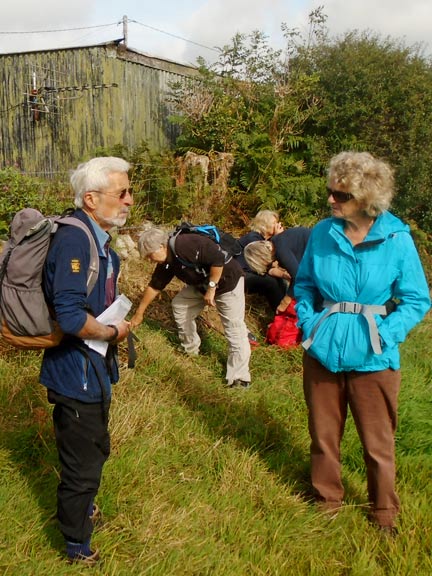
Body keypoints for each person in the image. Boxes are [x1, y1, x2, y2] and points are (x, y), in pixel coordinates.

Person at [294, 151, 430, 535]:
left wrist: (385, 334)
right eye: (330, 192)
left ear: (367, 197)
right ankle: (326, 502)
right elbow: (304, 285)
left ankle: (384, 512)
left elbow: (417, 298)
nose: (330, 201)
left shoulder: (397, 239)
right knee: (322, 436)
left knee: (378, 442)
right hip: (323, 350)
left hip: (374, 357)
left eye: (340, 195)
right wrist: (310, 324)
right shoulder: (322, 232)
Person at [40, 156, 133, 564]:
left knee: (94, 450)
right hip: (74, 373)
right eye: (122, 193)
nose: (130, 200)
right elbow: (72, 316)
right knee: (82, 464)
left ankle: (83, 510)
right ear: (91, 199)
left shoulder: (98, 239)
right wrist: (113, 332)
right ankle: (77, 546)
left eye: (130, 191)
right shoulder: (76, 240)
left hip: (90, 371)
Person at [130, 227, 251, 388]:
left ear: (161, 246)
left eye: (150, 256)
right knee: (180, 305)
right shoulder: (167, 261)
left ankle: (239, 378)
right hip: (202, 286)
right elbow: (155, 286)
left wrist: (212, 288)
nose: (151, 261)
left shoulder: (186, 244)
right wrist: (139, 313)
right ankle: (191, 350)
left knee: (234, 328)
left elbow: (217, 259)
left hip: (228, 283)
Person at [243, 225, 311, 308]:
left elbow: (298, 278)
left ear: (261, 257)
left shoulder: (280, 251)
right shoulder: (278, 241)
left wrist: (285, 301)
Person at [235, 210, 286, 311]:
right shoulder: (254, 239)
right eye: (274, 223)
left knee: (279, 280)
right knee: (270, 282)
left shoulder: (266, 241)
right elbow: (266, 263)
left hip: (249, 273)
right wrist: (279, 237)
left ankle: (285, 311)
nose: (277, 225)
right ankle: (280, 313)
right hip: (240, 275)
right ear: (264, 224)